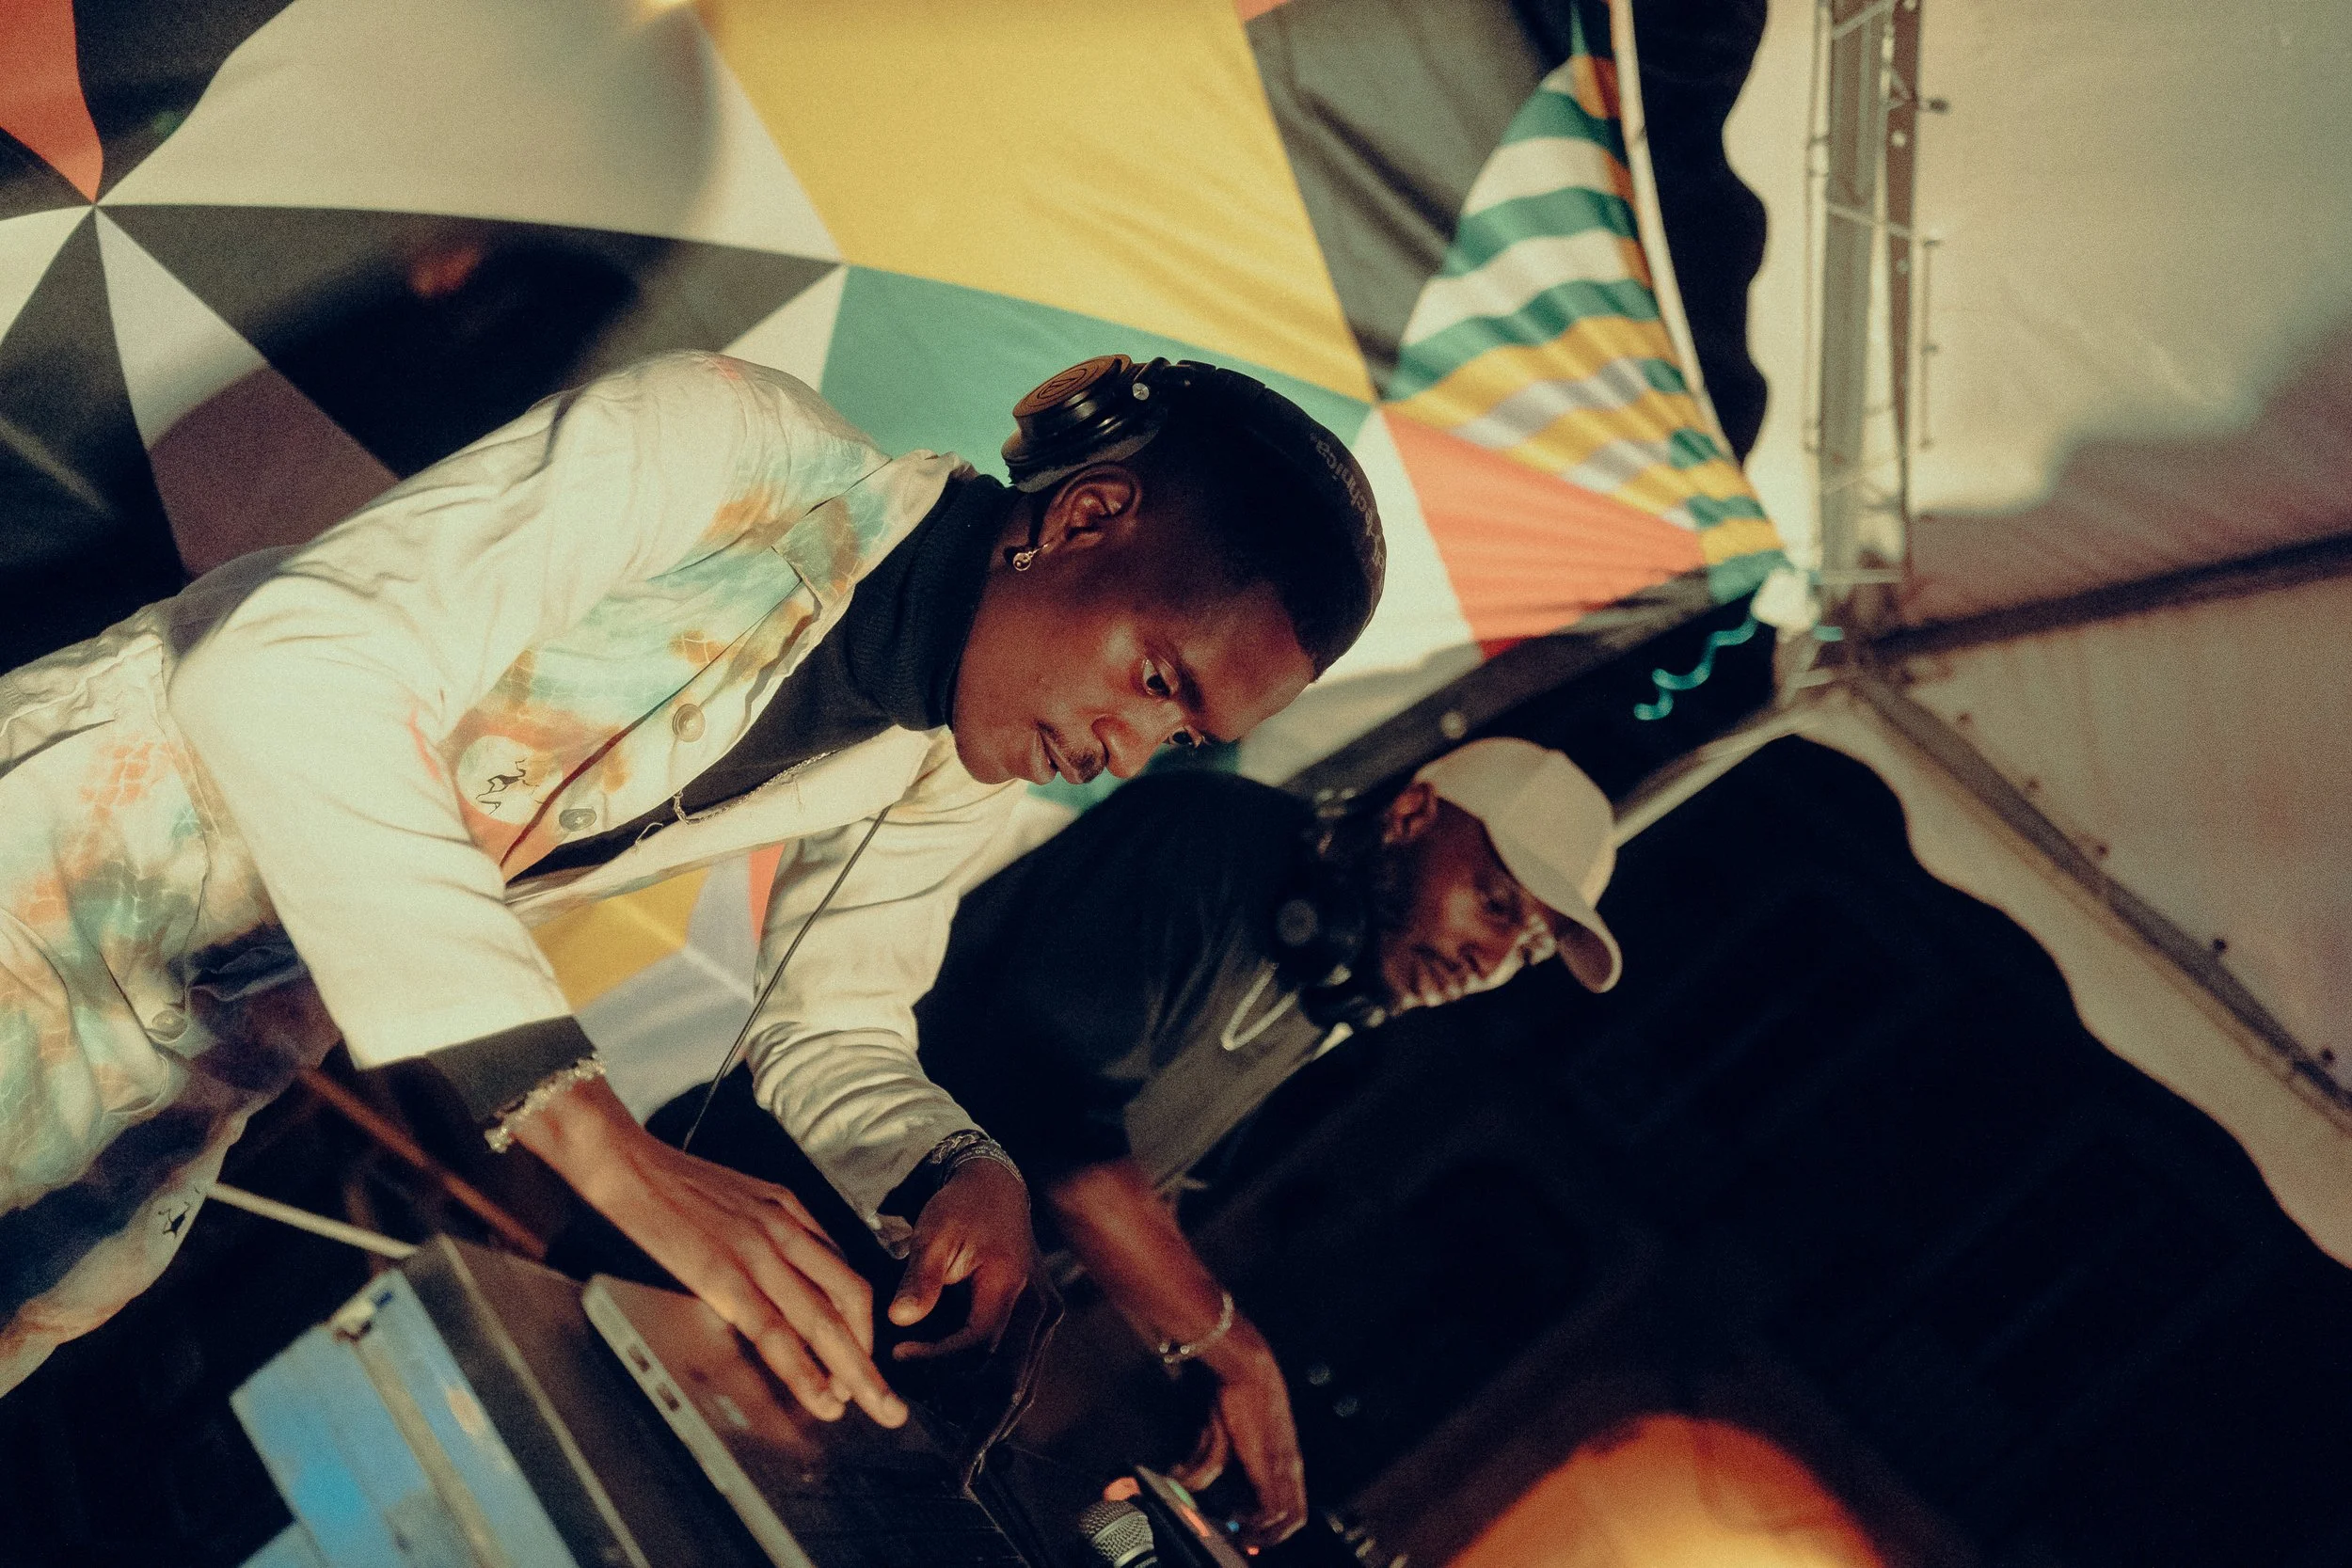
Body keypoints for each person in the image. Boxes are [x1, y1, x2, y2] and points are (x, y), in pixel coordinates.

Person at [0, 349, 1385, 1411]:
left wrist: (956, 1165)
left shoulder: (957, 764)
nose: (1123, 750)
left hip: (183, 1082)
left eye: (1180, 736)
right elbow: (285, 674)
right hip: (48, 880)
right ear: (1084, 516)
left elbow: (835, 1019)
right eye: (1157, 678)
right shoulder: (725, 444)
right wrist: (594, 1134)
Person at [926, 737, 1622, 1545]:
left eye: (1528, 951)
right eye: (1496, 904)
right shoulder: (1208, 841)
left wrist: (1192, 1353)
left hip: (935, 1288)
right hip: (838, 1196)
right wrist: (1240, 1355)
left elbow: (1156, 1185)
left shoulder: (1322, 997)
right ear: (1411, 814)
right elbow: (1059, 1135)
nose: (1491, 960)